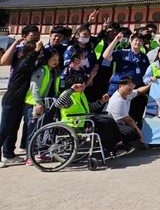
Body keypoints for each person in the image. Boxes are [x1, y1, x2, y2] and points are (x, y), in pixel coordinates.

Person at [52, 74, 126, 156]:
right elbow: (58, 104)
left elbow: (89, 107)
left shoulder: (80, 95)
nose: (83, 86)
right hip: (74, 124)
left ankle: (118, 144)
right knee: (104, 124)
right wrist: (71, 90)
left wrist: (101, 101)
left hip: (84, 121)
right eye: (81, 85)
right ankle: (109, 149)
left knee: (109, 120)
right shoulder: (68, 96)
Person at [0, 35, 42, 167]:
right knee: (4, 130)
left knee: (13, 130)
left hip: (20, 102)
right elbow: (27, 61)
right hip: (11, 100)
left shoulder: (31, 66)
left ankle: (8, 155)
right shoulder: (21, 64)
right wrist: (36, 50)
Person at [102, 30, 150, 128]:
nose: (138, 42)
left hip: (136, 91)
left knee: (133, 116)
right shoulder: (122, 53)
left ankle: (132, 134)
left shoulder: (144, 57)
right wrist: (115, 40)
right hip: (119, 89)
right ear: (131, 41)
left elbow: (146, 74)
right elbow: (106, 56)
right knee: (116, 115)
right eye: (136, 40)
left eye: (140, 41)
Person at [24, 49, 62, 158]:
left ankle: (40, 152)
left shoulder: (54, 71)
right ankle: (29, 156)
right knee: (33, 130)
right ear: (47, 59)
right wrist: (38, 103)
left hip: (47, 104)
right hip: (34, 104)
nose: (56, 62)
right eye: (53, 59)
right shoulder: (41, 70)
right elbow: (34, 87)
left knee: (42, 130)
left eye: (57, 60)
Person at [106, 76, 153, 148]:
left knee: (140, 125)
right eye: (129, 85)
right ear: (120, 86)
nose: (131, 88)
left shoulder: (127, 94)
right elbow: (128, 120)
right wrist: (139, 132)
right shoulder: (117, 101)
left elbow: (138, 91)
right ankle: (117, 143)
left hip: (121, 123)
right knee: (132, 131)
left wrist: (150, 85)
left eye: (132, 85)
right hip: (113, 126)